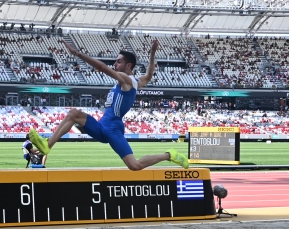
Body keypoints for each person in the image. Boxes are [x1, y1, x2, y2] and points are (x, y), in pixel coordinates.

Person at [28, 39, 189, 170]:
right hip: (102, 125)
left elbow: (102, 67)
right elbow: (149, 74)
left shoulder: (127, 80)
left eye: (118, 62)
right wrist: (153, 53)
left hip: (112, 129)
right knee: (73, 114)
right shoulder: (136, 82)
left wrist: (77, 53)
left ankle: (170, 154)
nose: (115, 65)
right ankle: (47, 145)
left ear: (128, 66)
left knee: (135, 165)